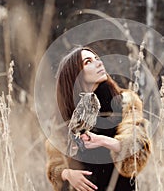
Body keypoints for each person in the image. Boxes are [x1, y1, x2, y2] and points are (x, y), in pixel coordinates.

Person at [45, 46, 151, 191]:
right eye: (88, 62)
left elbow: (138, 149)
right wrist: (67, 174)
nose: (99, 63)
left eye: (97, 59)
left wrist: (102, 140)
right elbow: (54, 167)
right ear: (75, 74)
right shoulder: (66, 114)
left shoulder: (126, 103)